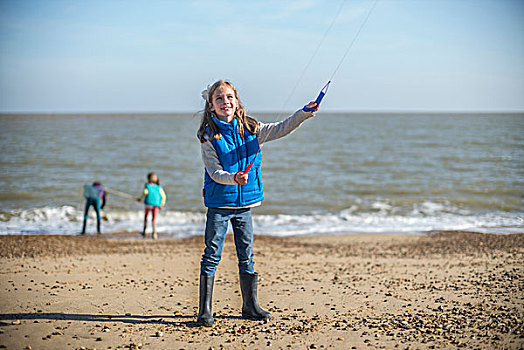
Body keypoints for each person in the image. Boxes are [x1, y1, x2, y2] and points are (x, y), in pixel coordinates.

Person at [196, 80, 318, 327]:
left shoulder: (251, 128)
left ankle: (250, 306)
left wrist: (304, 113)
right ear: (211, 106)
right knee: (212, 255)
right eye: (219, 98)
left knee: (247, 255)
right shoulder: (208, 135)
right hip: (219, 204)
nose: (225, 102)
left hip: (245, 205)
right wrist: (233, 179)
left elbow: (282, 127)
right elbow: (214, 171)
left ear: (237, 101)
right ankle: (204, 311)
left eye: (229, 97)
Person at [137, 172, 166, 240]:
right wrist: (162, 204)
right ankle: (154, 233)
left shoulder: (147, 186)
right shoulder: (159, 187)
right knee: (154, 219)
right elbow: (163, 196)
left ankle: (144, 231)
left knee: (146, 217)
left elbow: (145, 193)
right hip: (156, 205)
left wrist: (140, 199)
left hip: (148, 204)